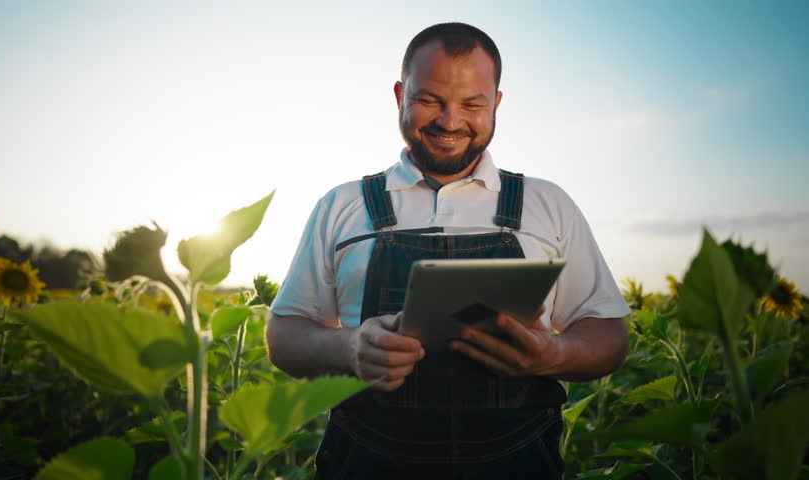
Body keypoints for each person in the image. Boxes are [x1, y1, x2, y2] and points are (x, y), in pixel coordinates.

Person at [266, 22, 631, 479]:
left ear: (496, 103)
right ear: (400, 95)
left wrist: (552, 356)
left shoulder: (547, 204)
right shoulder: (343, 205)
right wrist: (350, 346)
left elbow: (610, 337)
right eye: (429, 100)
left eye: (472, 104)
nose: (450, 121)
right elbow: (284, 337)